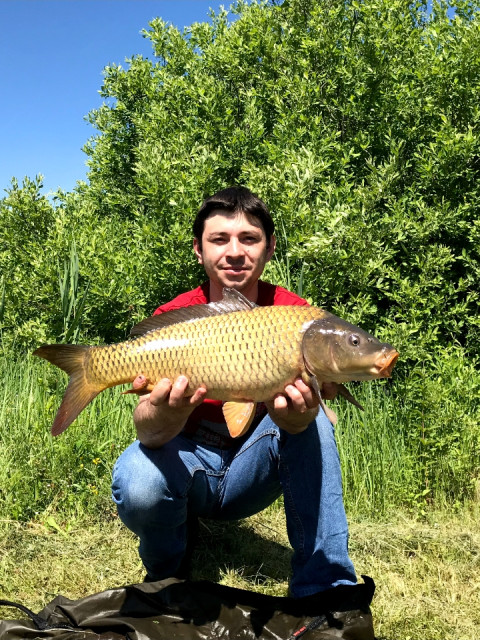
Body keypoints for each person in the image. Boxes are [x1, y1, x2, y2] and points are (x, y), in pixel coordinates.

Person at [111, 186, 358, 599]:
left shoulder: (294, 315)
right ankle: (168, 574)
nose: (235, 252)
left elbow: (322, 424)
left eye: (249, 238)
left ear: (269, 247)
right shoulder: (173, 319)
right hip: (191, 466)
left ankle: (325, 585)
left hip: (254, 469)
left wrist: (298, 419)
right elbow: (148, 435)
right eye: (219, 239)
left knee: (314, 419)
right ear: (198, 249)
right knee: (138, 477)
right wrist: (169, 412)